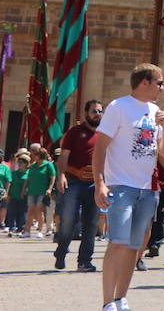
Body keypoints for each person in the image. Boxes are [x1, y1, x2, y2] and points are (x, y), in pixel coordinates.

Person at [95, 64, 164, 311]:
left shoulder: (156, 110)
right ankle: (107, 301)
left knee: (134, 247)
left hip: (148, 189)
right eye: (159, 83)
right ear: (144, 82)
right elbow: (100, 147)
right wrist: (100, 184)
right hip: (121, 186)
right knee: (117, 243)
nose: (162, 87)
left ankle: (121, 298)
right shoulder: (118, 107)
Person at [56, 99, 104, 271]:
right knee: (69, 221)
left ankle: (84, 261)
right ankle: (61, 252)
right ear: (86, 113)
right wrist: (61, 175)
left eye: (100, 111)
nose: (97, 114)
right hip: (74, 181)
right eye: (94, 111)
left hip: (95, 183)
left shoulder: (105, 134)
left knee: (91, 224)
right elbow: (64, 156)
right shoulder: (74, 132)